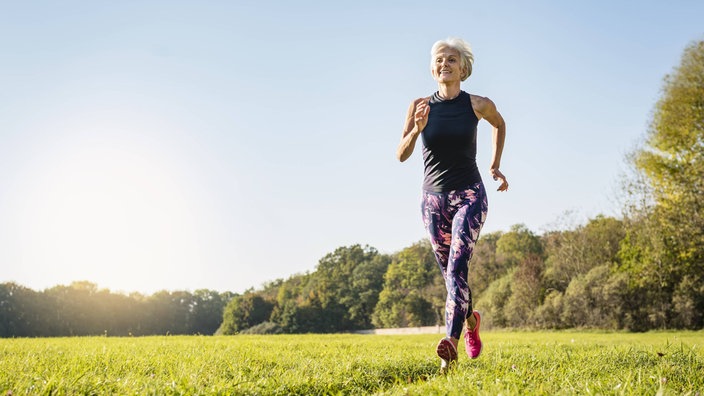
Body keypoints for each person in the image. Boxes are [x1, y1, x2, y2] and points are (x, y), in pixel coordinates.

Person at [396, 37, 509, 370]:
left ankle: (451, 345)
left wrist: (495, 164)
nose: (445, 64)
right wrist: (416, 131)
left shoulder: (478, 104)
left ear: (464, 68)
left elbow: (500, 124)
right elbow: (401, 155)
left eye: (452, 60)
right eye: (439, 60)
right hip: (432, 201)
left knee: (458, 268)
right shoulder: (419, 105)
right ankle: (472, 321)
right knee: (451, 277)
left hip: (470, 195)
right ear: (433, 69)